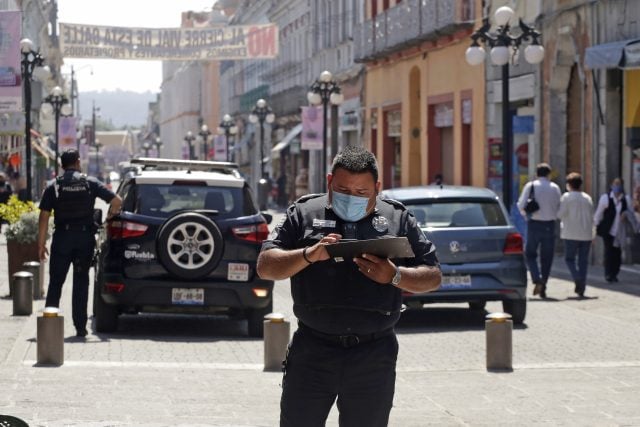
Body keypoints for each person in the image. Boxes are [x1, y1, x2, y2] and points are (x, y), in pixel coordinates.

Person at [257, 145, 441, 427]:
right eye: (343, 191)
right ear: (329, 181)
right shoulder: (304, 213)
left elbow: (433, 275)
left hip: (373, 355)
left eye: (361, 193)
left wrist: (395, 276)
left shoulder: (397, 218)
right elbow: (266, 265)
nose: (351, 198)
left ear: (377, 188)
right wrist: (308, 255)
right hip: (313, 351)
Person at [37, 149, 122, 338]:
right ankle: (80, 328)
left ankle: (49, 328)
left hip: (62, 240)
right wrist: (108, 219)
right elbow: (117, 201)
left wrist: (41, 244)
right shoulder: (89, 183)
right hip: (84, 240)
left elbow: (44, 216)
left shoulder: (54, 186)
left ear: (61, 165)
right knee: (81, 282)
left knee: (56, 283)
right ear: (77, 162)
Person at [517, 163, 561, 298]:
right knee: (547, 257)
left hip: (534, 224)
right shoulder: (555, 187)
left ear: (536, 174)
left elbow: (520, 204)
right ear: (549, 174)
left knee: (530, 254)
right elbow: (559, 207)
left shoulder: (530, 186)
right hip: (550, 225)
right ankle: (544, 284)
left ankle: (537, 278)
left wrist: (526, 215)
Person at [557, 173, 594, 297]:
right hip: (586, 233)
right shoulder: (587, 198)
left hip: (570, 233)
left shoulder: (566, 197)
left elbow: (560, 214)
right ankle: (582, 285)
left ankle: (577, 278)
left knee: (569, 259)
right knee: (583, 261)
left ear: (569, 185)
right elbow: (592, 216)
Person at [594, 177, 633, 283]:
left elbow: (631, 213)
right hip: (608, 230)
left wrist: (626, 214)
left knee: (617, 253)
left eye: (619, 184)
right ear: (611, 185)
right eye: (615, 184)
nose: (617, 186)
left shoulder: (626, 199)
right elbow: (599, 213)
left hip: (620, 231)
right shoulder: (605, 198)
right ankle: (608, 273)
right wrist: (595, 226)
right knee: (608, 251)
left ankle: (615, 273)